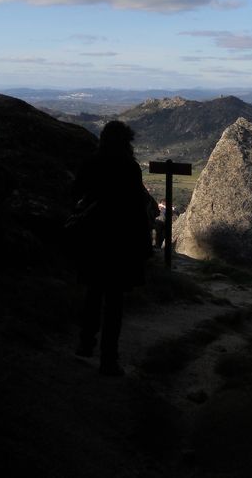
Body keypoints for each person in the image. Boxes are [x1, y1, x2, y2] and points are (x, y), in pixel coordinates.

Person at [71, 120, 153, 376]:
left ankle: (85, 343)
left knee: (93, 293)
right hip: (121, 243)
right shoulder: (129, 167)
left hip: (95, 238)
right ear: (126, 141)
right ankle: (108, 359)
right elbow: (137, 209)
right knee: (114, 302)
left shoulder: (92, 163)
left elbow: (75, 192)